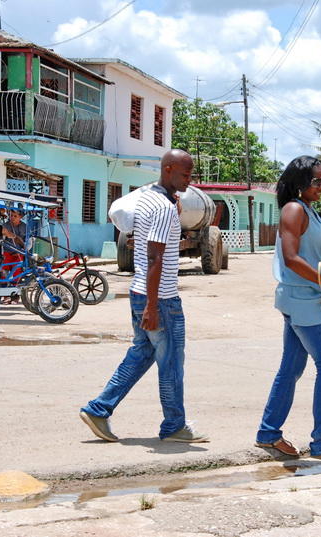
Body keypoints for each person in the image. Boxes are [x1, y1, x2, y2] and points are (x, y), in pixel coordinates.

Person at [80, 149, 208, 444]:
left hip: (140, 291)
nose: (189, 180)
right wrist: (153, 307)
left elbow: (153, 246)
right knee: (172, 362)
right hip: (159, 298)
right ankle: (174, 425)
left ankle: (98, 409)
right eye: (185, 174)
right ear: (169, 169)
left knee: (142, 353)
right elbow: (154, 258)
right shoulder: (163, 207)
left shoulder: (149, 198)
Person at [255, 156, 321, 464]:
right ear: (300, 183)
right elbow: (292, 258)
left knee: (292, 368)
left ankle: (269, 434)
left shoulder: (309, 210)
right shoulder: (294, 209)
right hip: (300, 299)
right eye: (317, 181)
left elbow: (312, 251)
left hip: (303, 297)